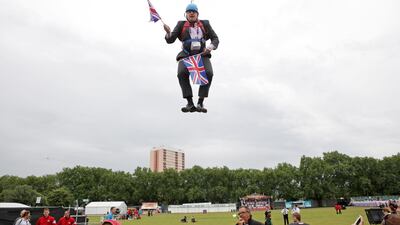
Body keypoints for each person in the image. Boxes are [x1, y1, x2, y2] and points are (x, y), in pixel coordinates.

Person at [164, 3, 219, 113]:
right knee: (181, 73)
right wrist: (168, 33)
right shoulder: (181, 24)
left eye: (193, 11)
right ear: (186, 14)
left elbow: (215, 39)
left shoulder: (205, 24)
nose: (191, 13)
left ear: (197, 14)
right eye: (189, 12)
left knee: (208, 73)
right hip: (186, 54)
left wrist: (210, 47)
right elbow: (170, 40)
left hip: (202, 54)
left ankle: (200, 102)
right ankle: (189, 103)